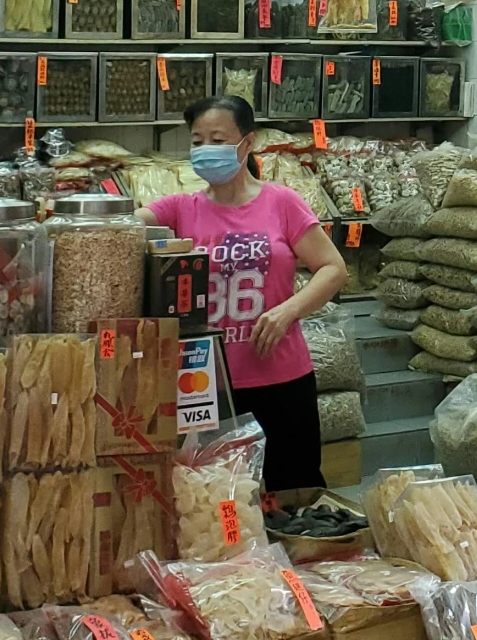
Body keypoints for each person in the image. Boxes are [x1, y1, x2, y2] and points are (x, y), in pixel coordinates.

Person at [136, 92, 347, 497]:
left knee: (294, 489)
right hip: (206, 382)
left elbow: (333, 268)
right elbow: (126, 224)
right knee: (215, 495)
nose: (205, 151)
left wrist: (286, 312)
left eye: (217, 139)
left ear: (246, 143)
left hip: (281, 375)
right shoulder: (180, 209)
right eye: (197, 142)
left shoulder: (282, 202)